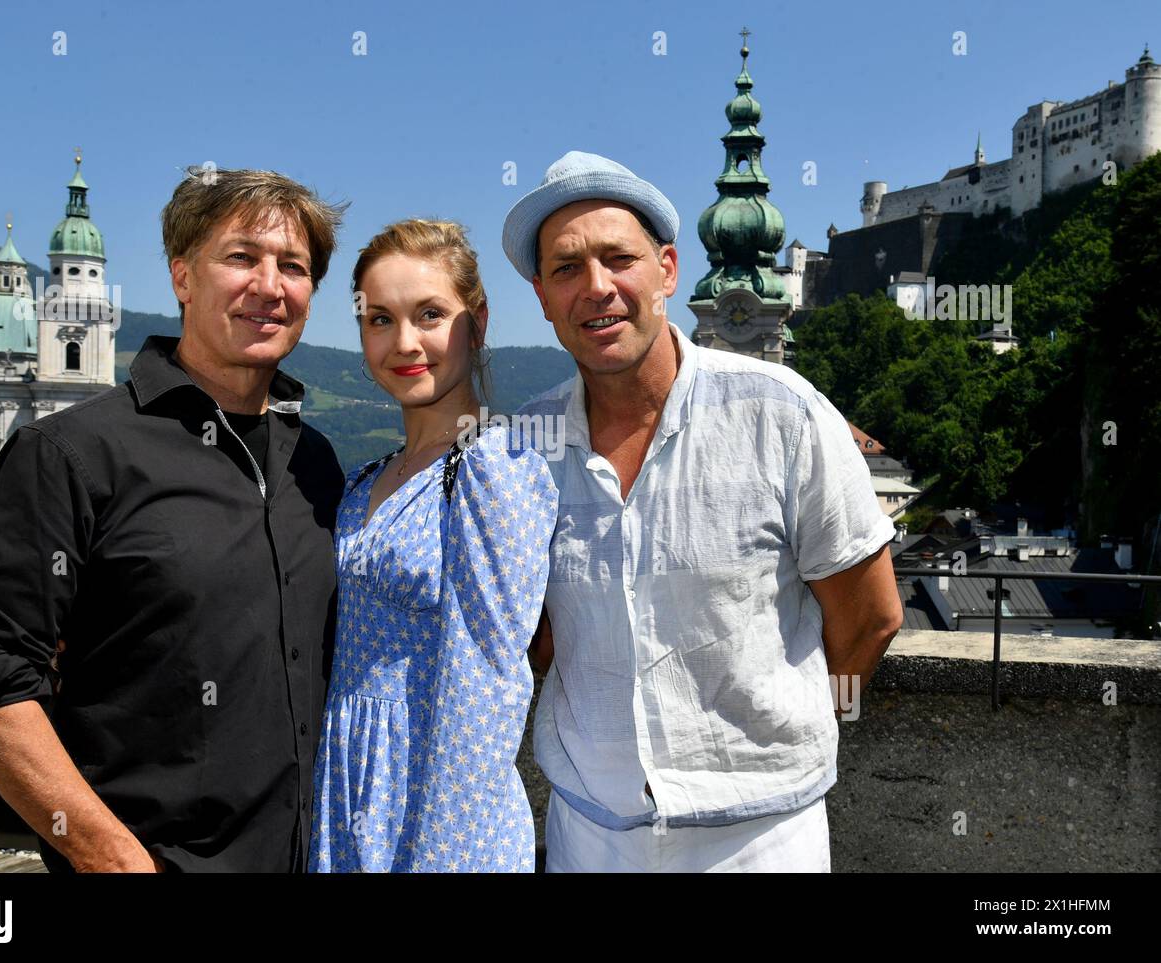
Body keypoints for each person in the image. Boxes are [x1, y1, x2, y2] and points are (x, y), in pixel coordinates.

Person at [503, 151, 904, 872]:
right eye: (566, 268)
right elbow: (531, 639)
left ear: (666, 269)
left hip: (760, 839)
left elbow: (871, 615)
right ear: (540, 295)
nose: (597, 287)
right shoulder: (521, 449)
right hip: (589, 834)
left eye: (617, 258)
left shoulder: (785, 413)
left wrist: (792, 721)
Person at [0, 166, 347, 872]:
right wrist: (113, 859)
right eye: (242, 257)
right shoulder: (70, 453)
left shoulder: (316, 463)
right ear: (183, 276)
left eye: (294, 266)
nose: (271, 285)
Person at [308, 219, 558, 872]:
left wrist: (443, 857)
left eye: (429, 314)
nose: (405, 342)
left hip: (438, 818)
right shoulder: (365, 478)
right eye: (380, 319)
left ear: (475, 320)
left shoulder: (494, 465)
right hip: (346, 795)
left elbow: (488, 693)